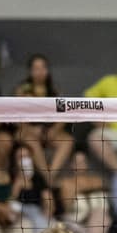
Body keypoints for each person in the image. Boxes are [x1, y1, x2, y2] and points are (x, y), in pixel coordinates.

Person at [13, 54, 74, 185]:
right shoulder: (22, 90)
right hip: (27, 131)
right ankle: (47, 178)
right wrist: (31, 129)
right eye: (36, 68)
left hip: (48, 131)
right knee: (31, 140)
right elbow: (16, 117)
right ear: (30, 71)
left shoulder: (54, 90)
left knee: (67, 140)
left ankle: (52, 173)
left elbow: (64, 113)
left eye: (43, 68)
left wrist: (54, 130)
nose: (40, 72)